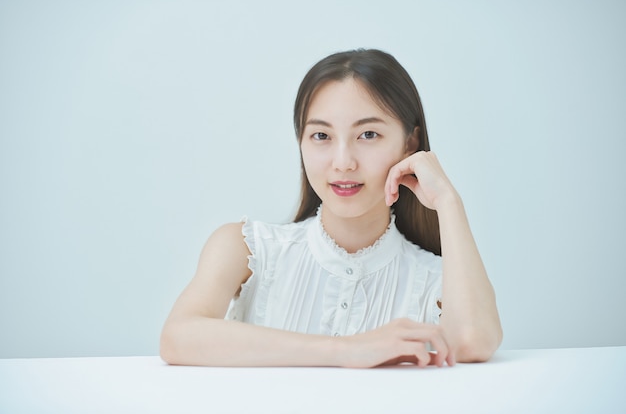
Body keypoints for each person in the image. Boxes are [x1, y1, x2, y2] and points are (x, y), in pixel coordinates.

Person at [160, 48, 502, 368]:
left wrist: (448, 202)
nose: (343, 163)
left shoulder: (434, 279)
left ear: (410, 143)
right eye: (321, 136)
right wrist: (345, 350)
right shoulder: (248, 248)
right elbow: (178, 337)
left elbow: (473, 343)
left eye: (368, 134)